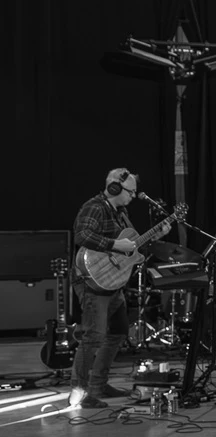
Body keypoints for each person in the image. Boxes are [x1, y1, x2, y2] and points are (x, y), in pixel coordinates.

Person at [70, 168, 143, 408]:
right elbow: (82, 236)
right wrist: (114, 244)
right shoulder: (95, 207)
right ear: (114, 188)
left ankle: (98, 385)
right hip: (92, 281)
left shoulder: (121, 213)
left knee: (118, 332)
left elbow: (130, 245)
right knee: (93, 337)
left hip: (112, 281)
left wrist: (154, 236)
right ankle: (79, 394)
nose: (133, 196)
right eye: (130, 191)